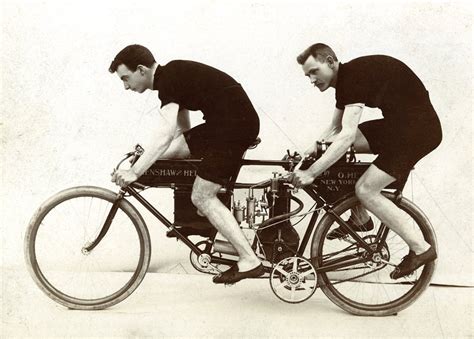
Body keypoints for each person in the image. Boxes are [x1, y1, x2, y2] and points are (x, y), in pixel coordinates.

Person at [108, 44, 264, 284]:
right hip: (228, 123)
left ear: (141, 70)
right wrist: (144, 160)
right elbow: (184, 136)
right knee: (183, 157)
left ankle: (249, 260)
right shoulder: (172, 76)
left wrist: (135, 171)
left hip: (233, 127)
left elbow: (165, 136)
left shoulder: (169, 79)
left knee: (202, 196)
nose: (126, 86)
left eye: (126, 79)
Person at [290, 43, 442, 279]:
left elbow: (347, 135)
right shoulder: (345, 80)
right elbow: (335, 128)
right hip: (400, 126)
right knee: (334, 150)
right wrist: (307, 154)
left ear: (330, 61)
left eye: (314, 71)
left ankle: (420, 249)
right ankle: (360, 218)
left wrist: (311, 173)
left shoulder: (352, 78)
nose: (311, 79)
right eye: (307, 75)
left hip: (418, 132)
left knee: (366, 189)